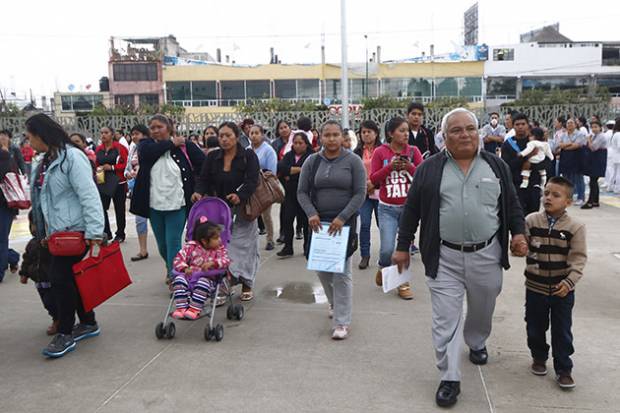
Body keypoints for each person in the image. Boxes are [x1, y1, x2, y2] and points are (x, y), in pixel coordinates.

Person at [392, 108, 527, 408]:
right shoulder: (429, 168)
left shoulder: (496, 166)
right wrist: (402, 245)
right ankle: (450, 377)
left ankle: (477, 340)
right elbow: (411, 210)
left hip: (487, 253)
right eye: (456, 130)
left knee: (483, 305)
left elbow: (512, 204)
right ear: (444, 136)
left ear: (478, 133)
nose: (465, 135)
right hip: (444, 256)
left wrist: (518, 233)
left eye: (470, 128)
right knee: (446, 319)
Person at [25, 113, 105, 358]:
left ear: (41, 135)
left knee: (60, 279)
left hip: (74, 231)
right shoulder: (45, 160)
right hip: (55, 234)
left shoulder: (72, 157)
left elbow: (89, 195)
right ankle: (89, 321)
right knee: (71, 279)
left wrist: (94, 232)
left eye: (30, 137)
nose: (29, 143)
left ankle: (66, 333)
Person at [297, 120, 366, 340]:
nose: (332, 139)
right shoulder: (312, 161)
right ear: (321, 137)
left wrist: (343, 217)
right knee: (322, 270)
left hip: (343, 223)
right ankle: (335, 302)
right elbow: (302, 192)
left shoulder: (353, 161)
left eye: (336, 135)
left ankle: (342, 321)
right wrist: (311, 213)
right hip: (318, 224)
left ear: (343, 138)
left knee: (342, 273)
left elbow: (359, 193)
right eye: (327, 135)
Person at [524, 176, 587, 389]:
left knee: (562, 330)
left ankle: (564, 368)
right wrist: (517, 247)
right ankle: (539, 357)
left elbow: (578, 258)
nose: (548, 198)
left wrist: (570, 282)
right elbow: (521, 244)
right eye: (546, 193)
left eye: (555, 195)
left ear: (568, 201)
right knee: (534, 325)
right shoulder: (531, 221)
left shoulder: (575, 227)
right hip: (535, 287)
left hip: (562, 290)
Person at [130, 115, 205, 283]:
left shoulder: (186, 146)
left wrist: (198, 188)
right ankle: (171, 267)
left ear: (169, 127)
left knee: (173, 243)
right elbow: (148, 154)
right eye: (152, 127)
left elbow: (203, 166)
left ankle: (176, 278)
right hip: (154, 205)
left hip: (178, 204)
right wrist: (171, 144)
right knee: (162, 246)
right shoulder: (145, 145)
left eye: (159, 127)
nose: (155, 130)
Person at [192, 121, 260, 301]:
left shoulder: (248, 156)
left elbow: (253, 180)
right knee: (221, 248)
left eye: (228, 135)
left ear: (237, 137)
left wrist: (240, 195)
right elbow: (203, 178)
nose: (223, 139)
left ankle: (247, 283)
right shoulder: (212, 157)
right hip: (219, 210)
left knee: (244, 249)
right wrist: (198, 192)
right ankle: (223, 285)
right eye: (221, 135)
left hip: (243, 210)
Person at [370, 116, 423, 300]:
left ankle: (402, 283)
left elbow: (423, 176)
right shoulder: (380, 152)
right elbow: (374, 179)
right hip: (387, 209)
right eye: (401, 130)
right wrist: (389, 167)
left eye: (407, 130)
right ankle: (383, 266)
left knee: (404, 248)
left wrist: (409, 166)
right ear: (391, 133)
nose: (406, 134)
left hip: (409, 209)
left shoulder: (413, 150)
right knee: (386, 249)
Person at [171, 219, 230, 320]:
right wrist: (185, 268)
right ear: (204, 241)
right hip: (189, 277)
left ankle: (194, 309)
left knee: (203, 282)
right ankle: (181, 308)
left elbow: (226, 260)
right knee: (179, 280)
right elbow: (178, 259)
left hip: (209, 281)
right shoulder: (191, 247)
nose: (220, 240)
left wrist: (214, 263)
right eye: (216, 238)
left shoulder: (219, 250)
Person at [19, 210, 57, 335]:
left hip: (51, 280)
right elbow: (27, 259)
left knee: (54, 301)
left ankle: (58, 320)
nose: (34, 227)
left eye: (36, 223)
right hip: (39, 282)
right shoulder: (32, 243)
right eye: (31, 224)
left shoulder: (50, 243)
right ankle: (56, 317)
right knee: (47, 303)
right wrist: (24, 274)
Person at [276, 132, 313, 258]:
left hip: (306, 194)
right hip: (290, 194)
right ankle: (288, 247)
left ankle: (307, 247)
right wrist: (299, 169)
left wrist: (291, 172)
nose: (297, 145)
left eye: (300, 143)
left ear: (306, 144)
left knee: (305, 222)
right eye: (295, 143)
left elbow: (310, 171)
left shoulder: (311, 156)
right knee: (287, 220)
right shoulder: (289, 155)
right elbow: (281, 167)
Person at [501, 113, 542, 215]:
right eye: (517, 124)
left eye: (523, 124)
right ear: (513, 126)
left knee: (533, 217)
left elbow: (545, 163)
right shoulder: (508, 144)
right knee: (519, 215)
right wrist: (526, 157)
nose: (520, 127)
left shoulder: (536, 143)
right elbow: (507, 166)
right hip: (517, 185)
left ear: (528, 125)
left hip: (534, 183)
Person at [353, 120, 381, 270]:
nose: (366, 134)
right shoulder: (356, 152)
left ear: (376, 133)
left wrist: (374, 184)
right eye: (363, 132)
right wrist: (365, 186)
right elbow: (354, 172)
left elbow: (386, 170)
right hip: (364, 194)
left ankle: (385, 255)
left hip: (380, 192)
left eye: (369, 131)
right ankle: (365, 255)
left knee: (383, 225)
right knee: (364, 225)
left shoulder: (383, 150)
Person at [95, 126, 129, 243]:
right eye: (101, 133)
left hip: (119, 182)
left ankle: (120, 234)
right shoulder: (98, 149)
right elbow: (96, 163)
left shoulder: (120, 148)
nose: (103, 135)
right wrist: (98, 169)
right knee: (102, 208)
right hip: (103, 181)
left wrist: (112, 167)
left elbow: (126, 164)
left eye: (106, 132)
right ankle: (106, 232)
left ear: (112, 134)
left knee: (119, 209)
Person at [248, 124, 278, 251]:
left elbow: (272, 171)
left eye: (256, 133)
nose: (254, 136)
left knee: (266, 214)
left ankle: (270, 239)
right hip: (250, 187)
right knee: (251, 214)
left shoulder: (268, 150)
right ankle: (251, 240)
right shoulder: (248, 149)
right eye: (251, 133)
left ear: (262, 135)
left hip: (264, 186)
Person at [125, 124, 151, 260]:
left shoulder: (150, 147)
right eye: (133, 134)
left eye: (137, 133)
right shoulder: (133, 149)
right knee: (140, 220)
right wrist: (128, 173)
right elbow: (128, 167)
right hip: (136, 188)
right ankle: (143, 250)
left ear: (145, 135)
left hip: (150, 189)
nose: (134, 136)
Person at [0, 140, 19, 283]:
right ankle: (12, 257)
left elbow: (11, 181)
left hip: (4, 205)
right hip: (5, 206)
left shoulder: (6, 158)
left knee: (1, 240)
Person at [558, 119, 586, 205]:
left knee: (578, 178)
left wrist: (565, 146)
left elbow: (576, 145)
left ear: (575, 124)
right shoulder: (563, 134)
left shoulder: (580, 134)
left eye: (571, 123)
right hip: (565, 159)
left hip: (576, 158)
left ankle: (581, 197)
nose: (569, 125)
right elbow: (560, 145)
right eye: (568, 123)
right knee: (566, 178)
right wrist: (569, 144)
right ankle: (568, 196)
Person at [582, 120, 607, 209]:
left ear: (600, 127)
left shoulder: (601, 136)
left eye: (596, 127)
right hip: (594, 160)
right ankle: (595, 201)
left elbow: (593, 148)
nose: (594, 129)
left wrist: (589, 140)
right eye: (592, 127)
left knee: (593, 180)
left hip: (598, 160)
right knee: (593, 180)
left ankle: (590, 202)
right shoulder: (595, 136)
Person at [606, 119, 620, 193]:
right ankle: (617, 188)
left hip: (614, 155)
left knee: (614, 172)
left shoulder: (615, 133)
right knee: (618, 173)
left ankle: (610, 187)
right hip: (618, 155)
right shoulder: (619, 134)